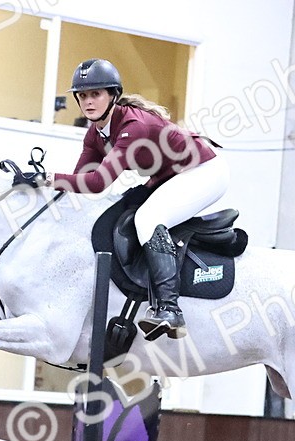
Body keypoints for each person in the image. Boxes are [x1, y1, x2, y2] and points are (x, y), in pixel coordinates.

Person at [46, 59, 228, 339]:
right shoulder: (94, 134)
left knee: (148, 219)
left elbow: (98, 182)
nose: (88, 102)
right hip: (171, 175)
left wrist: (47, 178)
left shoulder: (133, 126)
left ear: (113, 95)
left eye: (96, 94)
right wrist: (43, 186)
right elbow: (81, 179)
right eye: (82, 96)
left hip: (204, 171)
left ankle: (169, 309)